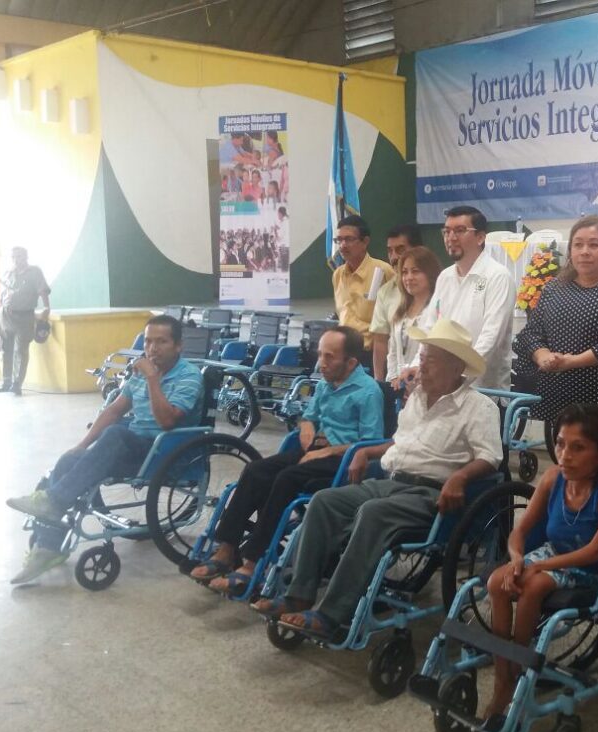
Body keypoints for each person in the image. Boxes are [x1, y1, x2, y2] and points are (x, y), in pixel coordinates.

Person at [251, 319, 502, 640]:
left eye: (430, 360)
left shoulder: (478, 407)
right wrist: (366, 453)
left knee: (372, 514)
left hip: (434, 494)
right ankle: (299, 593)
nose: (421, 366)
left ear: (455, 366)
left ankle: (332, 614)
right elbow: (401, 443)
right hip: (394, 481)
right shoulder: (419, 399)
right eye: (421, 358)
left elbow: (490, 457)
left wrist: (460, 477)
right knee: (325, 501)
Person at [6, 315, 204, 584]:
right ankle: (47, 548)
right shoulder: (141, 372)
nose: (152, 348)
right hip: (133, 448)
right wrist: (80, 447)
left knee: (116, 434)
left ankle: (52, 501)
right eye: (148, 341)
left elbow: (167, 421)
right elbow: (114, 410)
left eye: (161, 342)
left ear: (178, 346)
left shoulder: (189, 376)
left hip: (167, 452)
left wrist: (152, 379)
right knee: (70, 461)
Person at [188, 327, 384, 593]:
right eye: (320, 355)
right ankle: (226, 549)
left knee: (285, 479)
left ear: (351, 362)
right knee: (256, 470)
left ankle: (253, 561)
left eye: (329, 357)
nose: (321, 363)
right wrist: (306, 428)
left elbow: (370, 443)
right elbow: (308, 417)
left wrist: (326, 450)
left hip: (343, 461)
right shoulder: (327, 383)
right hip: (313, 451)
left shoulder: (368, 392)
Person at [482, 404, 598, 723]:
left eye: (577, 447)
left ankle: (520, 670)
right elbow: (521, 531)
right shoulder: (554, 477)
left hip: (596, 568)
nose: (564, 455)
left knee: (535, 585)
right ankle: (505, 677)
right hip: (553, 554)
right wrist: (516, 561)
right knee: (496, 583)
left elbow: (597, 551)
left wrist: (538, 567)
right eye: (560, 444)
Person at [513, 215, 598, 425]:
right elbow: (531, 333)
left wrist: (573, 362)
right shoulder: (554, 287)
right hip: (556, 392)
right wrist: (544, 356)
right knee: (562, 453)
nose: (584, 251)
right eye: (578, 245)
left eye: (594, 245)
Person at [402, 206, 514, 390]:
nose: (451, 238)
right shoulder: (445, 277)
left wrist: (455, 375)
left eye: (460, 231)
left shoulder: (498, 276)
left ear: (480, 237)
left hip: (482, 390)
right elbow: (430, 328)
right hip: (443, 385)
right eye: (447, 231)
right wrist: (417, 364)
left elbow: (490, 338)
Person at [332, 214, 395, 352]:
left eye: (348, 239)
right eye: (339, 240)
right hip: (343, 351)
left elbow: (395, 318)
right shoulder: (337, 275)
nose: (342, 246)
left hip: (372, 351)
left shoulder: (383, 271)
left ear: (365, 242)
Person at [370, 224, 423, 380]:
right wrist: (379, 383)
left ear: (418, 250)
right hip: (396, 379)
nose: (393, 257)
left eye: (400, 250)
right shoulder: (385, 292)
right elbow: (380, 341)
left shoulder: (438, 287)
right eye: (390, 251)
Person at [0, 246, 51, 395]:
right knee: (5, 349)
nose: (16, 260)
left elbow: (43, 291)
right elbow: (2, 291)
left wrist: (46, 307)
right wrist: (3, 300)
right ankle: (6, 381)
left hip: (25, 316)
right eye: (13, 257)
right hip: (6, 316)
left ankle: (17, 384)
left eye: (19, 256)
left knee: (21, 350)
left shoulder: (34, 272)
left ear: (26, 257)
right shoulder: (9, 272)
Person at [384, 247, 440, 382]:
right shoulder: (400, 311)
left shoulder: (437, 310)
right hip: (399, 385)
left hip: (424, 382)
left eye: (415, 271)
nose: (408, 278)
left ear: (430, 273)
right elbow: (392, 353)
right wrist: (393, 379)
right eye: (404, 272)